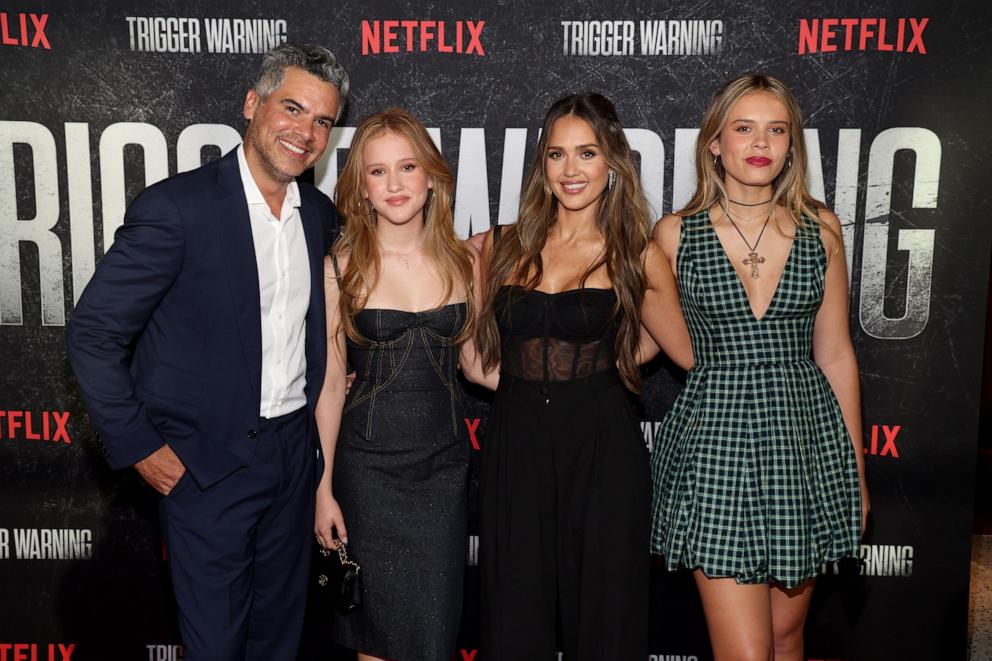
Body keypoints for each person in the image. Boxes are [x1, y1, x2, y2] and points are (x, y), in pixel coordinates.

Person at [66, 43, 348, 661]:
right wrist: (140, 446)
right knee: (215, 648)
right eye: (292, 108)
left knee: (277, 644)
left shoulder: (320, 217)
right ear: (253, 104)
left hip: (292, 463)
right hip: (207, 469)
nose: (305, 132)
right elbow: (93, 333)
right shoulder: (178, 208)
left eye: (322, 120)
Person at [650, 73, 870, 661]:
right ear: (715, 142)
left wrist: (855, 470)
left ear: (791, 145)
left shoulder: (821, 228)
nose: (760, 143)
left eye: (776, 130)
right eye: (744, 128)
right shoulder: (675, 235)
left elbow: (835, 353)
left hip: (804, 446)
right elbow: (647, 344)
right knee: (746, 653)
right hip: (716, 447)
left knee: (784, 637)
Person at [474, 92, 691, 660]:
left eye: (587, 153)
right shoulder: (498, 246)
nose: (570, 170)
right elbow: (468, 348)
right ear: (541, 166)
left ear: (612, 161)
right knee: (514, 612)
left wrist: (605, 360)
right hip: (515, 441)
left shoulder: (633, 255)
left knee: (606, 615)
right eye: (556, 154)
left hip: (602, 442)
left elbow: (686, 351)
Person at [314, 108, 495, 661]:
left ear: (431, 177)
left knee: (431, 639)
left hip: (442, 471)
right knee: (376, 643)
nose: (394, 184)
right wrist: (322, 489)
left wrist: (576, 376)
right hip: (367, 474)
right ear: (360, 188)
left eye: (407, 166)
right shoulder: (340, 267)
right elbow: (327, 387)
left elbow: (479, 367)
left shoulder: (467, 260)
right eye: (377, 172)